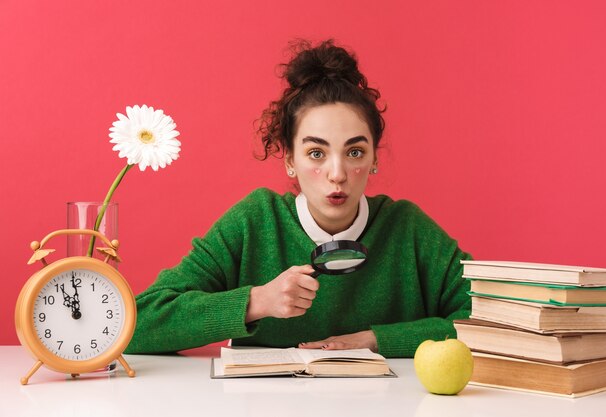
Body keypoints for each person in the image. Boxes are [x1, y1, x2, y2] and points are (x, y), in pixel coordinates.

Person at [125, 39, 472, 358]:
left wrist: (375, 339)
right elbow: (136, 324)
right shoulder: (254, 222)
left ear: (374, 158)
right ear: (290, 160)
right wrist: (257, 301)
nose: (337, 173)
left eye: (354, 151)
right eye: (316, 153)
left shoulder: (408, 229)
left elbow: (496, 321)